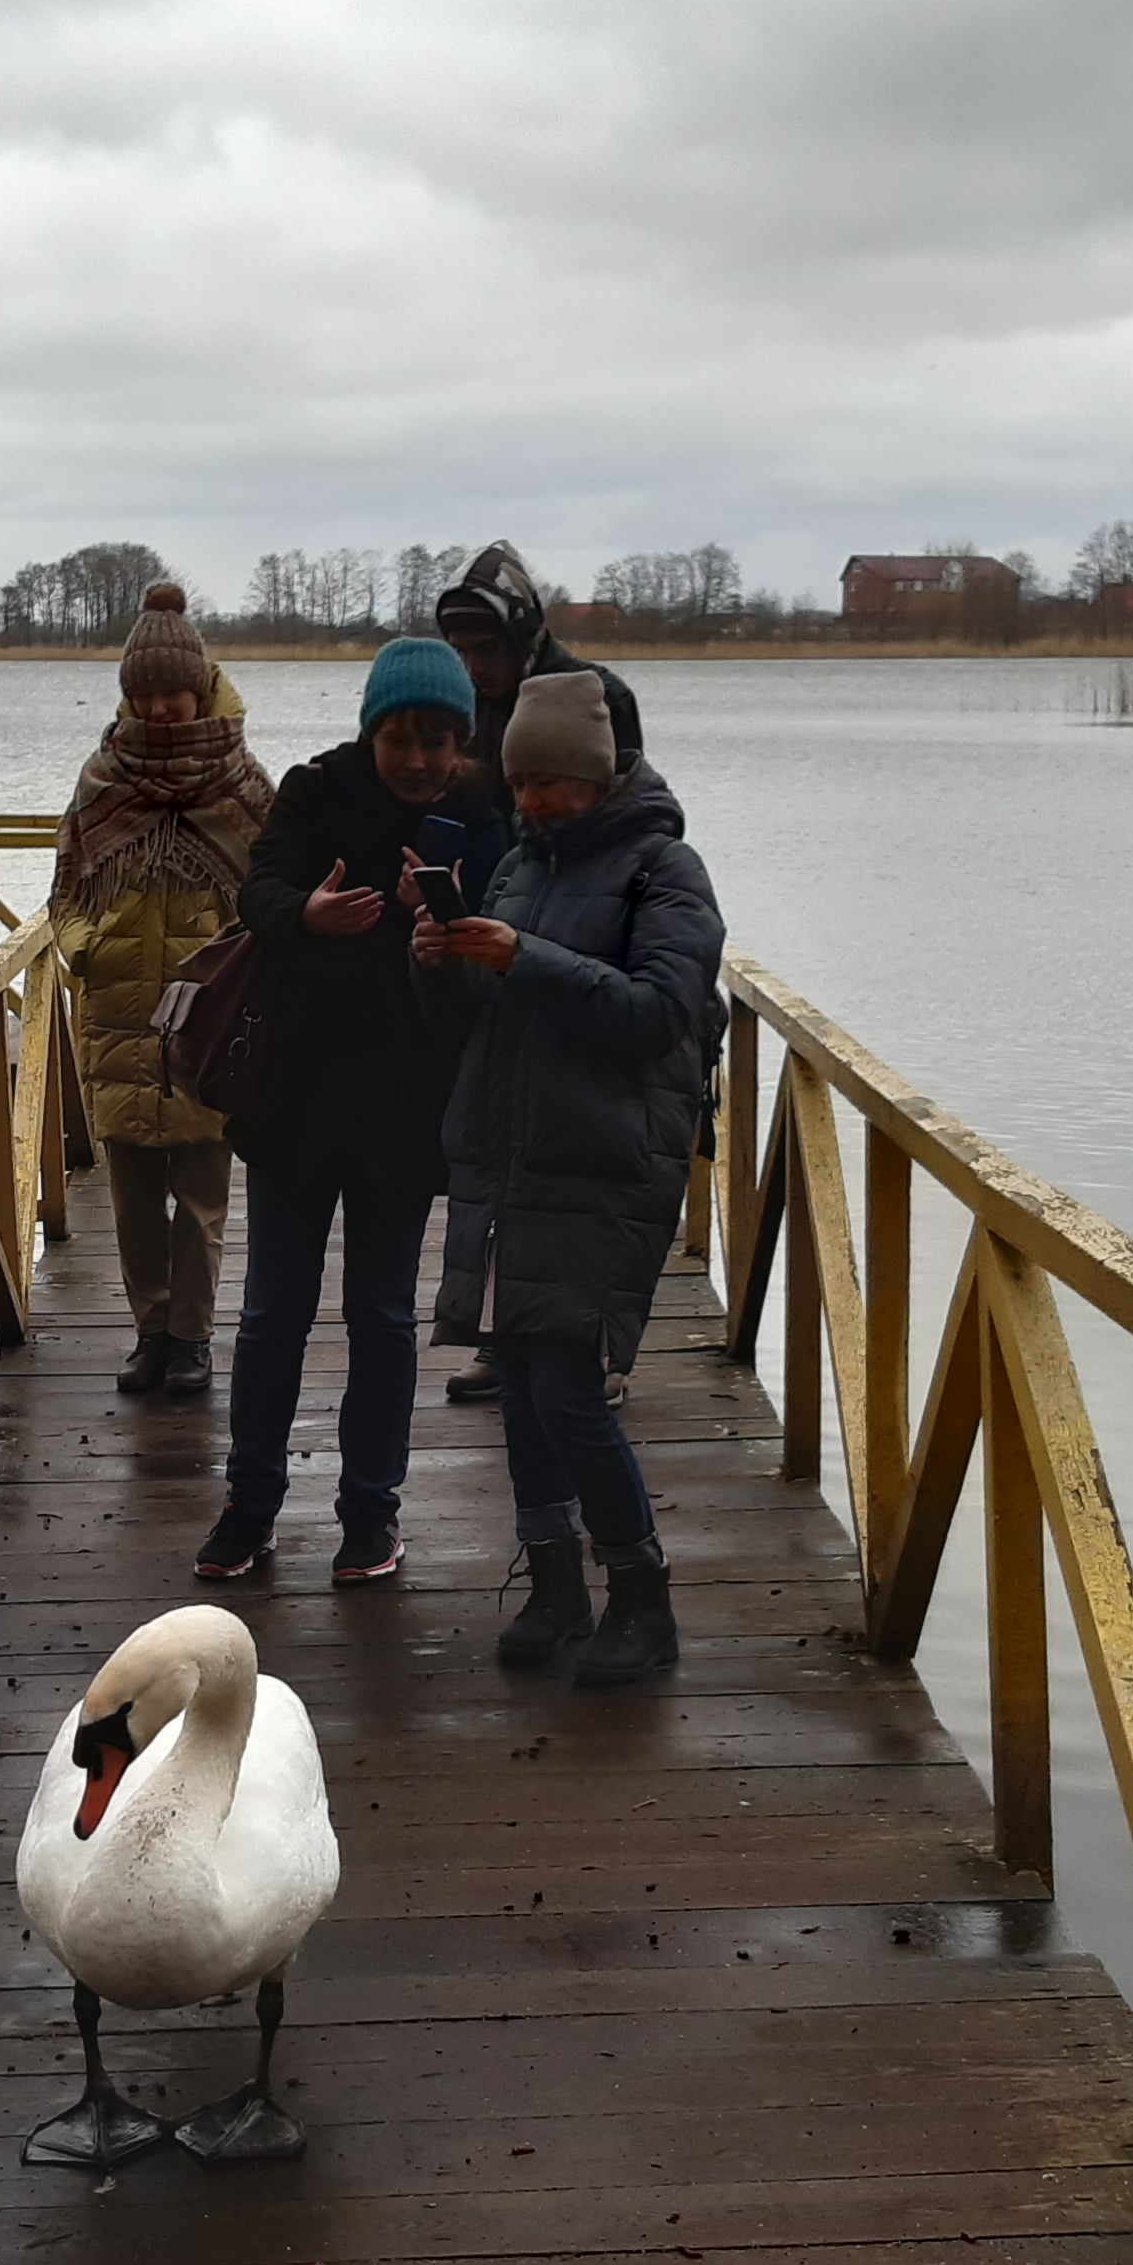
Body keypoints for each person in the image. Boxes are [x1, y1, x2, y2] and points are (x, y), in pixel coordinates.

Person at [412, 665, 724, 1685]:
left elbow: (658, 1016)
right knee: (527, 1391)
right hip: (511, 1159)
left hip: (602, 1161)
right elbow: (486, 1022)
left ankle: (643, 1599)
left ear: (596, 776)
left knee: (570, 1393)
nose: (534, 801)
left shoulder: (664, 872)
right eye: (522, 784)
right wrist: (447, 961)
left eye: (551, 783)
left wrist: (524, 959)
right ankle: (555, 1587)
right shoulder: (520, 868)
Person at [193, 637, 483, 1587]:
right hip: (297, 1101)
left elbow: (508, 939)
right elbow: (258, 887)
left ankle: (370, 1514)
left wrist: (450, 930)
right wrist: (306, 917)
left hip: (405, 1109)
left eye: (439, 740)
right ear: (374, 731)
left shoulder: (483, 814)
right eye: (403, 737)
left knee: (382, 1318)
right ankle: (250, 1506)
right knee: (273, 1315)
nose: (420, 760)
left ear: (462, 742)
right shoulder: (316, 791)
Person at [427, 541, 639, 1398]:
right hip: (490, 947)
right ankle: (502, 1339)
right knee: (501, 1160)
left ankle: (596, 1355)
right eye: (465, 652)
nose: (477, 667)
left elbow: (622, 822)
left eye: (488, 650)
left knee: (587, 1168)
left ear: (524, 636)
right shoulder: (466, 710)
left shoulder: (596, 697)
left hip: (582, 953)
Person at [51, 582, 271, 1396]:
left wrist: (238, 974)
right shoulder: (101, 779)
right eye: (144, 695)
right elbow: (66, 889)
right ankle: (151, 1332)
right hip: (117, 1010)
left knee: (203, 1196)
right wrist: (86, 950)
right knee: (134, 1197)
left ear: (202, 686)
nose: (161, 708)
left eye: (172, 692)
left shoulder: (246, 785)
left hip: (210, 1021)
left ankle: (193, 1338)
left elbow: (274, 900)